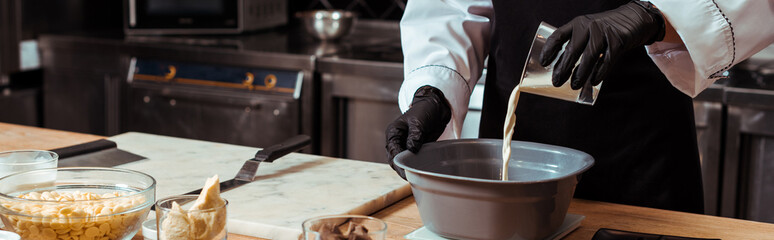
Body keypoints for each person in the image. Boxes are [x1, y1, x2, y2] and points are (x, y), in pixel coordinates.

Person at [386, 0, 774, 214]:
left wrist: (651, 14)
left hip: (639, 159)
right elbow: (453, 7)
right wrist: (433, 90)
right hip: (508, 167)